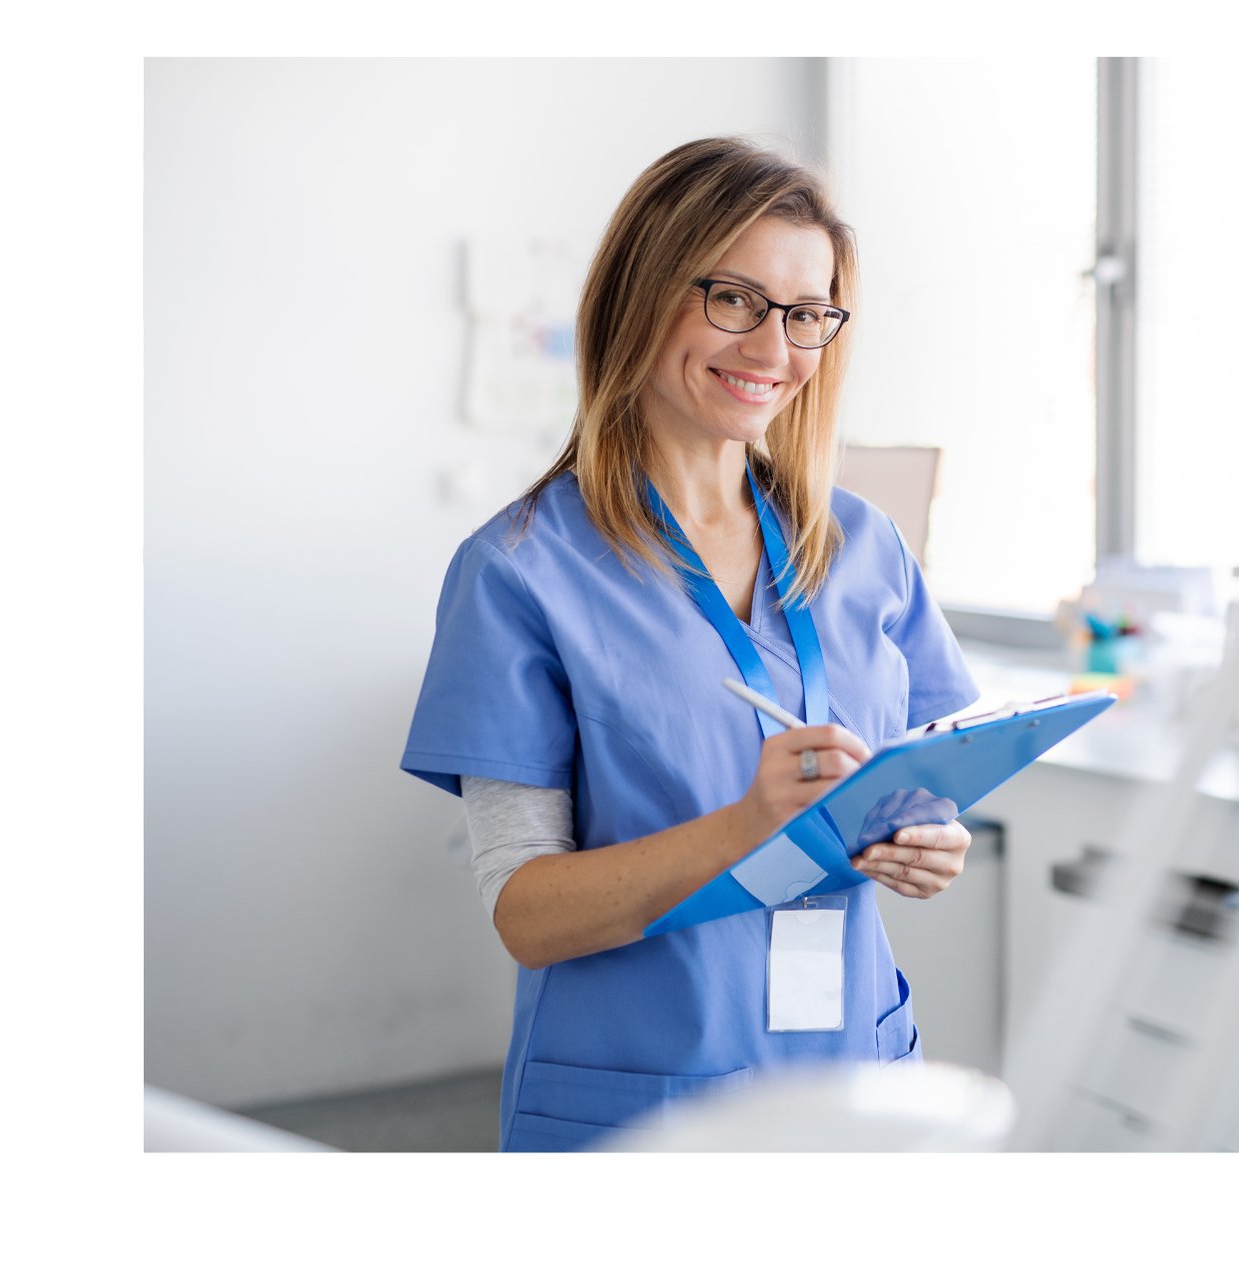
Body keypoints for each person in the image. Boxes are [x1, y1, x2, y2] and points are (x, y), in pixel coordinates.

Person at [400, 137, 980, 1152]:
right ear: (641, 293)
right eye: (734, 298)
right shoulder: (521, 571)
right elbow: (526, 912)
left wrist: (927, 841)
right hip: (643, 1098)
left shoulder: (863, 548)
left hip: (854, 1065)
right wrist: (749, 822)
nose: (773, 350)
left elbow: (918, 772)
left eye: (805, 314)